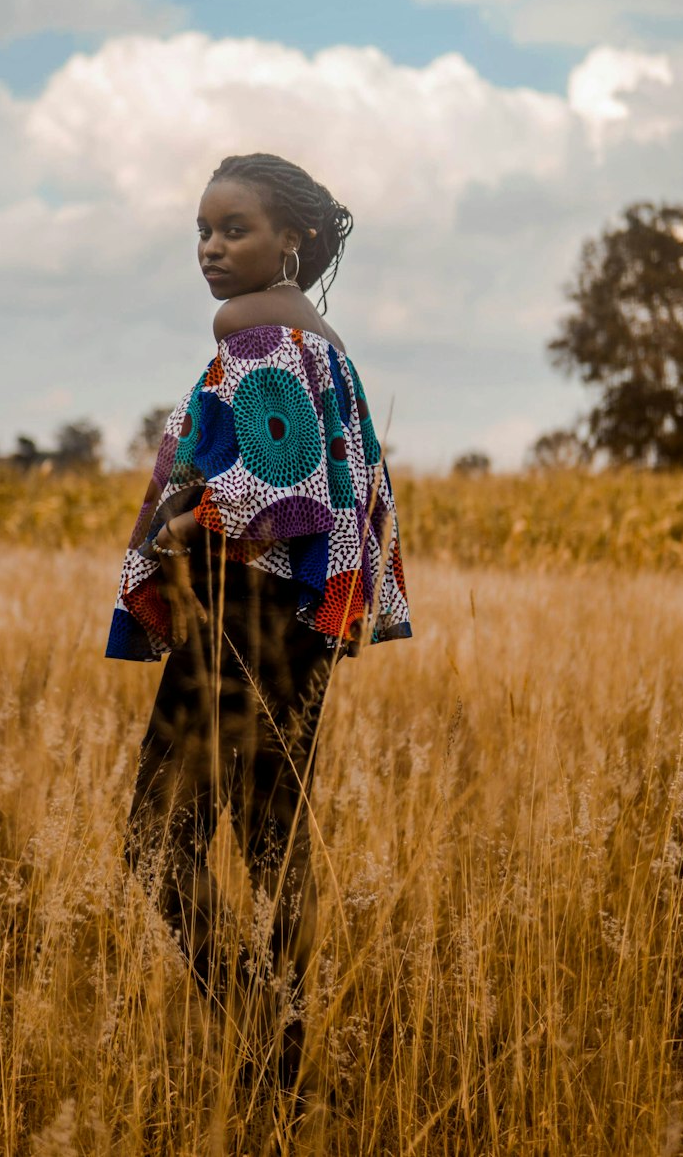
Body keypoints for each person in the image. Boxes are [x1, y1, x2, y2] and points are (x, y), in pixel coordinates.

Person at [106, 152, 412, 1108]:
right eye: (202, 230)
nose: (210, 248)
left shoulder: (256, 330)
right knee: (274, 841)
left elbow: (288, 484)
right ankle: (288, 1060)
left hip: (243, 613)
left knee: (158, 842)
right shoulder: (319, 338)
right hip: (299, 622)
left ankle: (265, 1043)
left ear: (295, 242)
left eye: (233, 229)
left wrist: (187, 525)